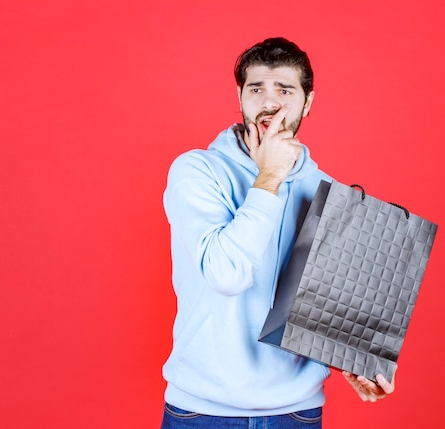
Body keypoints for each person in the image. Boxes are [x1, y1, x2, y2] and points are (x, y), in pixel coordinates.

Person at [160, 37, 396, 428]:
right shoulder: (196, 170)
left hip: (296, 413)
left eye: (285, 90)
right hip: (202, 411)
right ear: (240, 96)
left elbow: (325, 307)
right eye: (256, 89)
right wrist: (269, 177)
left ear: (308, 102)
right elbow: (227, 274)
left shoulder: (328, 192)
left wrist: (356, 358)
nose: (269, 103)